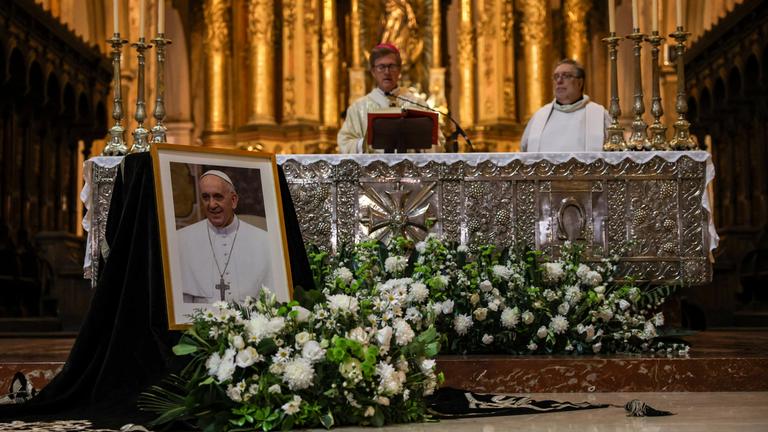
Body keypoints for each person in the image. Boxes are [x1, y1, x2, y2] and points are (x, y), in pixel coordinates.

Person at [177, 170, 273, 303]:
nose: (211, 204)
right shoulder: (181, 240)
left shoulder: (264, 241)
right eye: (206, 197)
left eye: (218, 197)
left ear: (233, 200)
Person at [337, 43, 444, 153]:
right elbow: (344, 144)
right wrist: (366, 142)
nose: (387, 72)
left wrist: (421, 145)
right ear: (373, 71)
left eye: (392, 66)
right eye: (381, 67)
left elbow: (438, 142)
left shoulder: (418, 104)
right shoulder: (358, 108)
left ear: (399, 70)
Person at [520, 59, 611, 152]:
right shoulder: (539, 116)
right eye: (556, 76)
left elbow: (614, 153)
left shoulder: (599, 115)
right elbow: (524, 152)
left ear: (580, 83)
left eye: (566, 76)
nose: (559, 81)